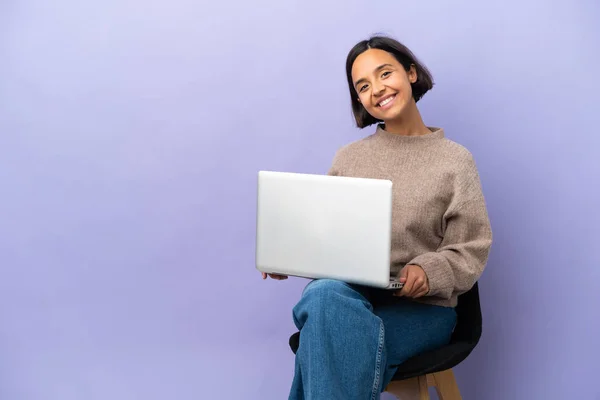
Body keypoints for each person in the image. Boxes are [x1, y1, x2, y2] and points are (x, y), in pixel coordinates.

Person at [261, 35, 493, 400]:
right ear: (359, 99)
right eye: (363, 86)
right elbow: (326, 236)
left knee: (324, 338)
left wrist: (429, 270)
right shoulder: (349, 159)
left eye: (385, 73)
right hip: (351, 298)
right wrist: (288, 256)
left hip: (423, 310)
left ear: (411, 73)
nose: (377, 89)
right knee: (324, 296)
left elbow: (471, 247)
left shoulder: (454, 160)